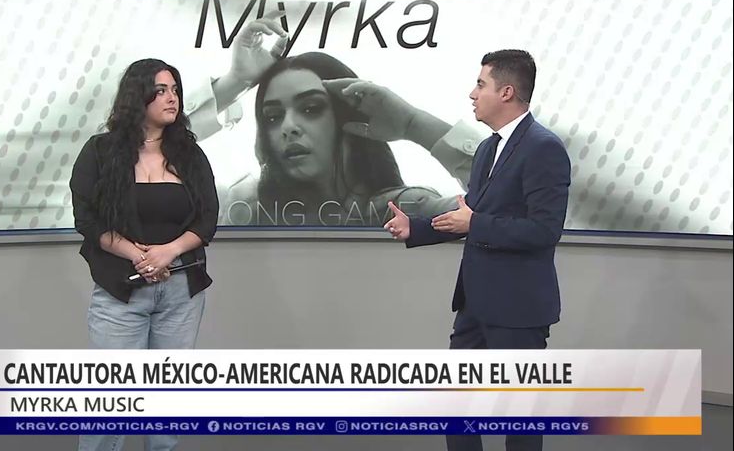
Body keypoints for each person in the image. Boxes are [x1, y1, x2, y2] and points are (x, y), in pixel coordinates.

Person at [384, 50, 571, 451]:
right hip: (475, 305)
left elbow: (544, 230)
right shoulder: (487, 149)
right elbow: (469, 215)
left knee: (520, 422)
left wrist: (475, 223)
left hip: (518, 309)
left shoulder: (543, 148)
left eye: (481, 84)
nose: (472, 93)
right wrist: (415, 228)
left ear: (506, 92)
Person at [69, 58, 218, 451]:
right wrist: (137, 255)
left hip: (181, 292)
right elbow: (87, 218)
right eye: (161, 90)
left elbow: (207, 218)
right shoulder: (100, 152)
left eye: (175, 90)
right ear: (138, 96)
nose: (172, 98)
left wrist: (168, 251)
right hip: (121, 291)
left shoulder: (190, 154)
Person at [218, 51, 488, 226]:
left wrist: (413, 124)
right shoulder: (247, 210)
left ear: (345, 117)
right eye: (273, 117)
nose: (288, 127)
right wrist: (233, 82)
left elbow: (500, 204)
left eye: (311, 109)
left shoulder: (404, 209)